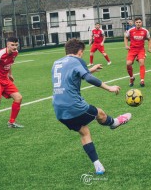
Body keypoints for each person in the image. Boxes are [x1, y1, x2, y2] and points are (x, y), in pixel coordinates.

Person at [51, 38, 131, 175]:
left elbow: (70, 76)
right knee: (100, 113)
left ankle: (98, 166)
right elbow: (88, 79)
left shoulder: (56, 63)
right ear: (80, 52)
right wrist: (109, 87)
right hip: (74, 105)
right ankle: (114, 122)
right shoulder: (77, 60)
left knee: (84, 132)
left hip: (59, 109)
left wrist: (88, 70)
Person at [124, 17, 151, 87]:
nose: (138, 23)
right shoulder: (131, 30)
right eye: (137, 22)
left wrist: (149, 48)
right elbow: (125, 37)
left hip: (141, 49)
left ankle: (142, 80)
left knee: (141, 62)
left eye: (139, 22)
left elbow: (149, 39)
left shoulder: (145, 31)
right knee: (128, 64)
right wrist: (126, 45)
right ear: (135, 23)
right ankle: (131, 77)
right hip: (132, 50)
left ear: (141, 23)